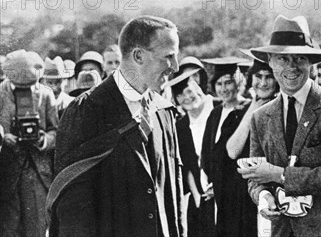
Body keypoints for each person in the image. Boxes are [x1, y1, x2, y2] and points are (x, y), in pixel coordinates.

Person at [51, 15, 186, 236]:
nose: (175, 67)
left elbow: (174, 191)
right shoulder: (86, 110)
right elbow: (72, 207)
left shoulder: (163, 111)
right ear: (138, 55)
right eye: (168, 57)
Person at [239, 15, 321, 236]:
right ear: (269, 61)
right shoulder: (260, 117)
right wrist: (264, 198)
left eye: (299, 58)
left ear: (311, 62)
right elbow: (256, 179)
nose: (291, 67)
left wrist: (279, 174)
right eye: (282, 59)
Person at [0, 50, 58, 236]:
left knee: (37, 228)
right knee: (9, 226)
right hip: (7, 170)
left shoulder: (47, 95)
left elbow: (56, 131)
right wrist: (3, 136)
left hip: (37, 172)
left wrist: (43, 140)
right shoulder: (1, 94)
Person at [225, 56, 280, 237]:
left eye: (268, 76)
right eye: (258, 76)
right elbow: (232, 151)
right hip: (247, 195)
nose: (263, 83)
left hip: (277, 192)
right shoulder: (240, 112)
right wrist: (253, 109)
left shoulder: (284, 110)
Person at [200, 58, 255, 236]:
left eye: (228, 82)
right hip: (219, 189)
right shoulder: (215, 113)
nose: (223, 89)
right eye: (219, 83)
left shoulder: (248, 110)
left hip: (241, 190)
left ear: (238, 83)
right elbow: (207, 151)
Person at [168, 63, 217, 237]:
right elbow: (187, 165)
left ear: (197, 85)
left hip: (226, 193)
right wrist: (197, 195)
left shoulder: (218, 109)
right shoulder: (180, 126)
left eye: (189, 90)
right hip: (200, 199)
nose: (187, 97)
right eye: (180, 95)